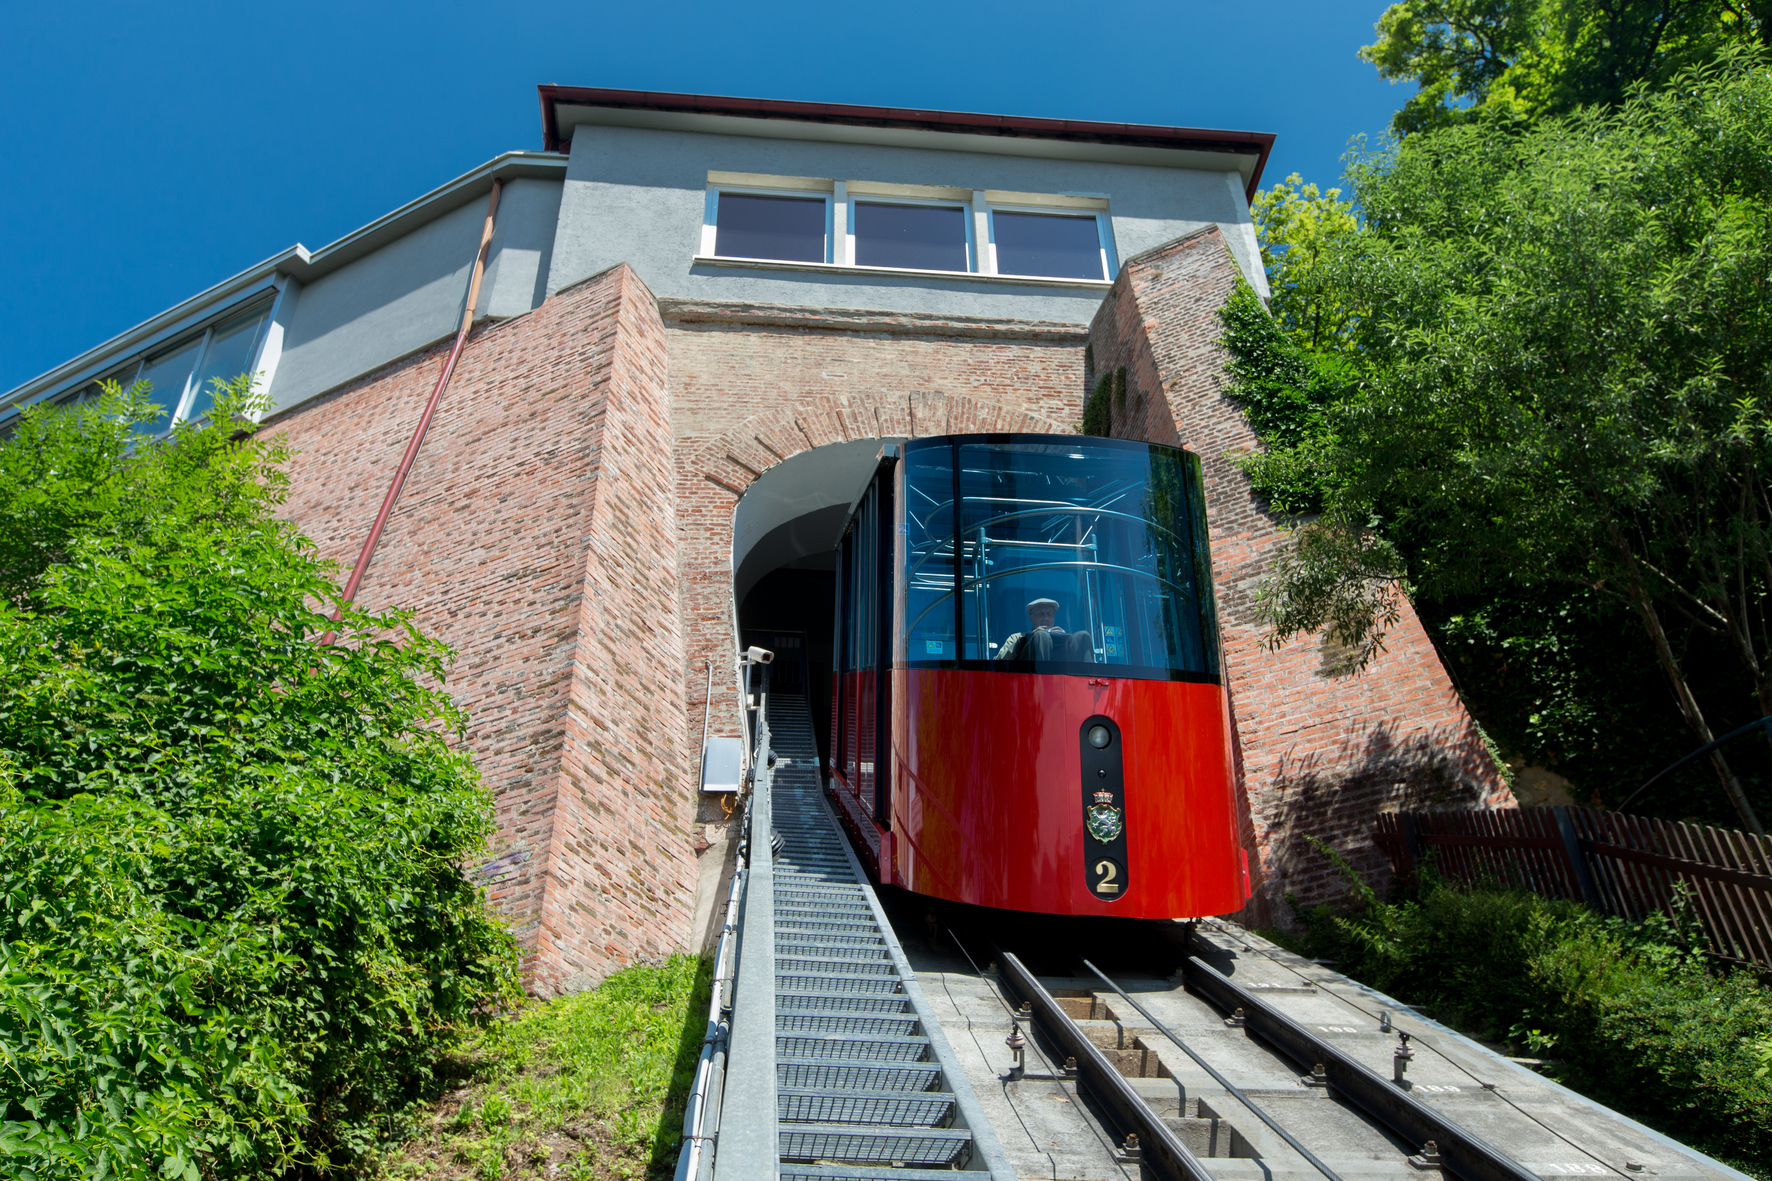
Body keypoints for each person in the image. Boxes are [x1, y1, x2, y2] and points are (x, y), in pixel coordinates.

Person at [996, 598, 1092, 662]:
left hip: (1065, 681)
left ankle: (1089, 684)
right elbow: (999, 661)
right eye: (1040, 614)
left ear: (1054, 617)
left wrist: (1065, 640)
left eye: (1049, 614)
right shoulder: (1017, 637)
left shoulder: (1064, 638)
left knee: (1082, 636)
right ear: (1031, 618)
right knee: (1041, 635)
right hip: (1030, 681)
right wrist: (1027, 639)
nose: (1045, 618)